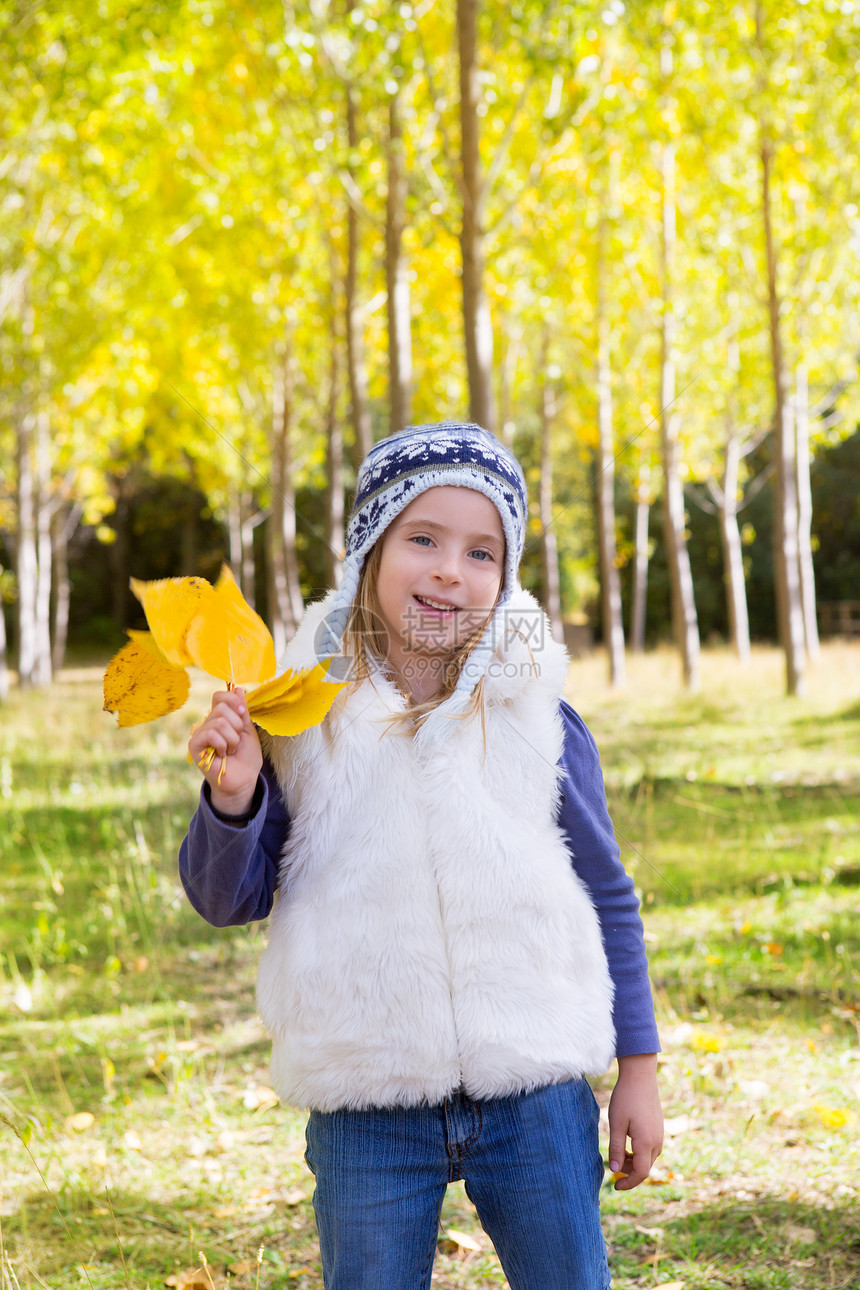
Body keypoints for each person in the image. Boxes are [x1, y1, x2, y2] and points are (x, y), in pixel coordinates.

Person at [179, 422, 663, 1290]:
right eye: (424, 539)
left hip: (536, 1084)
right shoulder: (298, 721)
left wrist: (639, 1071)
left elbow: (609, 895)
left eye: (483, 553)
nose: (451, 569)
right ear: (370, 550)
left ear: (504, 577)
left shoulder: (539, 721)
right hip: (367, 1096)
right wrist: (232, 796)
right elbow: (228, 899)